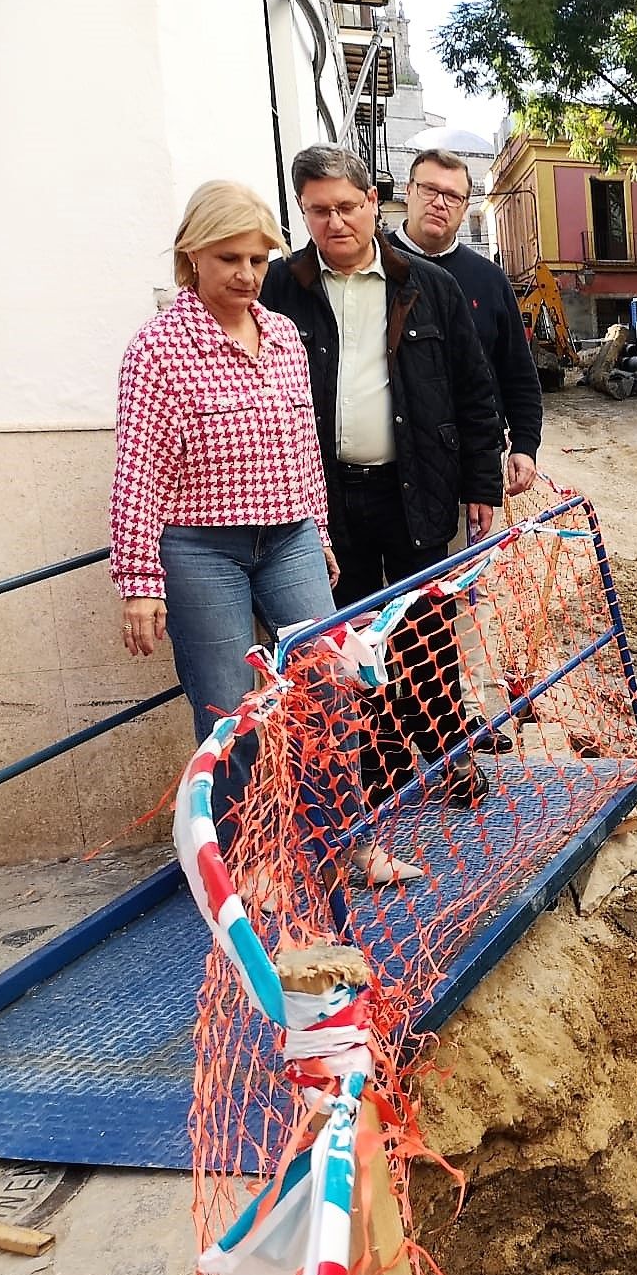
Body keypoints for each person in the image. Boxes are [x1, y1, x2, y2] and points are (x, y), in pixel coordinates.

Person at [111, 180, 418, 884]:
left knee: (332, 688)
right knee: (228, 712)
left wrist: (321, 533)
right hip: (200, 548)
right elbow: (138, 471)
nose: (247, 275)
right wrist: (138, 583)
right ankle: (251, 866)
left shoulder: (279, 333)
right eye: (229, 259)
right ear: (192, 258)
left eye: (257, 258)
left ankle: (348, 846)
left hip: (288, 538)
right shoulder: (157, 351)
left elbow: (301, 444)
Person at [259, 145, 505, 807]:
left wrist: (482, 484)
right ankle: (382, 763)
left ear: (373, 203)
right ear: (302, 213)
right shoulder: (280, 289)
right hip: (329, 502)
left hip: (417, 487)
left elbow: (475, 394)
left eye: (346, 206)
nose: (335, 222)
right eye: (318, 211)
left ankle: (451, 756)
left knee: (426, 630)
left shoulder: (429, 286)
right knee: (350, 640)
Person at [392, 147, 545, 754]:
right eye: (429, 190)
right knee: (383, 615)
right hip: (380, 476)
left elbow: (514, 372)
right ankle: (395, 737)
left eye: (453, 196)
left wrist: (522, 446)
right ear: (406, 192)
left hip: (461, 474)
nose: (439, 203)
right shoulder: (372, 267)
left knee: (450, 607)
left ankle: (449, 725)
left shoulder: (484, 280)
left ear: (466, 207)